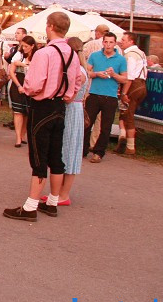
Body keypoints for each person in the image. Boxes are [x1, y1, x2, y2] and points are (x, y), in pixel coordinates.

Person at [3, 12, 80, 222]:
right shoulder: (73, 54)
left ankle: (30, 206)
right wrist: (68, 95)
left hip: (43, 106)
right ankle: (53, 202)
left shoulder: (44, 53)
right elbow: (78, 79)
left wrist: (27, 90)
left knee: (38, 156)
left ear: (51, 26)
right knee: (56, 155)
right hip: (60, 107)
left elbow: (34, 84)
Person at [45, 37, 88, 207]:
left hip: (72, 111)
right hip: (71, 110)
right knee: (62, 150)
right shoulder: (78, 69)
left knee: (70, 152)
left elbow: (70, 96)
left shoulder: (80, 72)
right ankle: (58, 192)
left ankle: (64, 194)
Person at [82, 32, 127, 163]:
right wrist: (96, 74)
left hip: (110, 96)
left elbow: (125, 78)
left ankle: (99, 152)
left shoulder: (121, 59)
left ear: (115, 43)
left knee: (106, 127)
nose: (108, 45)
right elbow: (87, 72)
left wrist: (114, 75)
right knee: (86, 123)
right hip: (94, 94)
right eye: (106, 42)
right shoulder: (94, 56)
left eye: (111, 42)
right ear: (102, 42)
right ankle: (83, 150)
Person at [117, 32, 148, 156]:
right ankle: (122, 139)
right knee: (125, 113)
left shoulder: (129, 55)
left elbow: (129, 77)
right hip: (142, 85)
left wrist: (124, 93)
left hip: (133, 86)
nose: (121, 41)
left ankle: (130, 147)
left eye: (123, 39)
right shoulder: (141, 53)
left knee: (128, 115)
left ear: (131, 41)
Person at [7, 36, 36, 148]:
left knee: (26, 113)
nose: (23, 48)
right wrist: (19, 85)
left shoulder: (36, 56)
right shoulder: (19, 54)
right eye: (22, 46)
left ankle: (23, 135)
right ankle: (18, 137)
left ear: (32, 46)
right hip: (18, 85)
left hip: (30, 87)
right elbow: (12, 70)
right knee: (18, 112)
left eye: (26, 46)